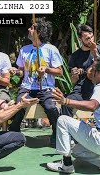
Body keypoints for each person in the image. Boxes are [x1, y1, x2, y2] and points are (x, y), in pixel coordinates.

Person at [46, 56, 100, 173]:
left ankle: (66, 165)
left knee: (63, 120)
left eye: (93, 68)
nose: (89, 70)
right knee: (76, 150)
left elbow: (93, 105)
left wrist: (66, 101)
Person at [9, 17, 63, 146]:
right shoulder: (24, 49)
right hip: (27, 87)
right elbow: (22, 71)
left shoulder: (51, 49)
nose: (29, 29)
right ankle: (14, 134)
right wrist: (16, 72)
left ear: (39, 32)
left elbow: (59, 71)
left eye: (32, 28)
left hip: (45, 87)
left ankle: (56, 134)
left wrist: (46, 69)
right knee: (19, 105)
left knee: (51, 107)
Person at [60, 24, 100, 117]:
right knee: (67, 103)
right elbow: (73, 81)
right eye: (87, 38)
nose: (91, 40)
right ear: (80, 39)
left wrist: (95, 52)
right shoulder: (75, 56)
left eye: (92, 37)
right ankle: (66, 130)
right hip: (82, 90)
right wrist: (75, 75)